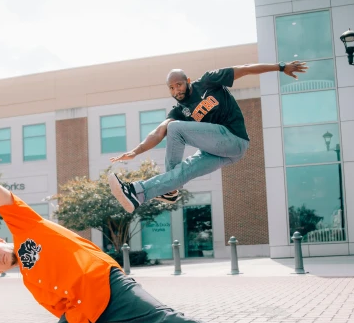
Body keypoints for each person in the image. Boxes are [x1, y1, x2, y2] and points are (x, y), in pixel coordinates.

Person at [0, 180, 290, 323]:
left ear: (0, 241)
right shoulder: (30, 282)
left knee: (167, 320)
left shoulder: (26, 225)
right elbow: (73, 314)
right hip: (88, 313)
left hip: (108, 283)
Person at [108, 61, 308, 212]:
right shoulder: (179, 110)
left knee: (176, 129)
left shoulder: (208, 81)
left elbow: (245, 68)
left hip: (234, 138)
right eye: (171, 88)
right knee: (183, 169)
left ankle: (170, 187)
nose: (176, 91)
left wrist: (281, 67)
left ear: (187, 81)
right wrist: (135, 151)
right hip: (224, 154)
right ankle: (139, 193)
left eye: (178, 85)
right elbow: (159, 131)